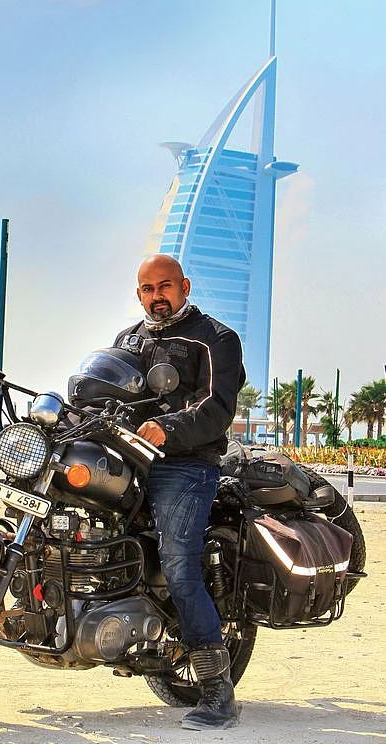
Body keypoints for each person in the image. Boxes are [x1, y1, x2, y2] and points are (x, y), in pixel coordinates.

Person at [113, 254, 245, 730]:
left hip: (186, 464)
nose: (157, 297)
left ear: (184, 287)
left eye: (165, 286)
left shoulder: (216, 338)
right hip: (131, 460)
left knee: (179, 565)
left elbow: (217, 407)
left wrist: (167, 428)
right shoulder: (127, 340)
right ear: (138, 294)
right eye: (148, 289)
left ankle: (217, 694)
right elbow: (107, 391)